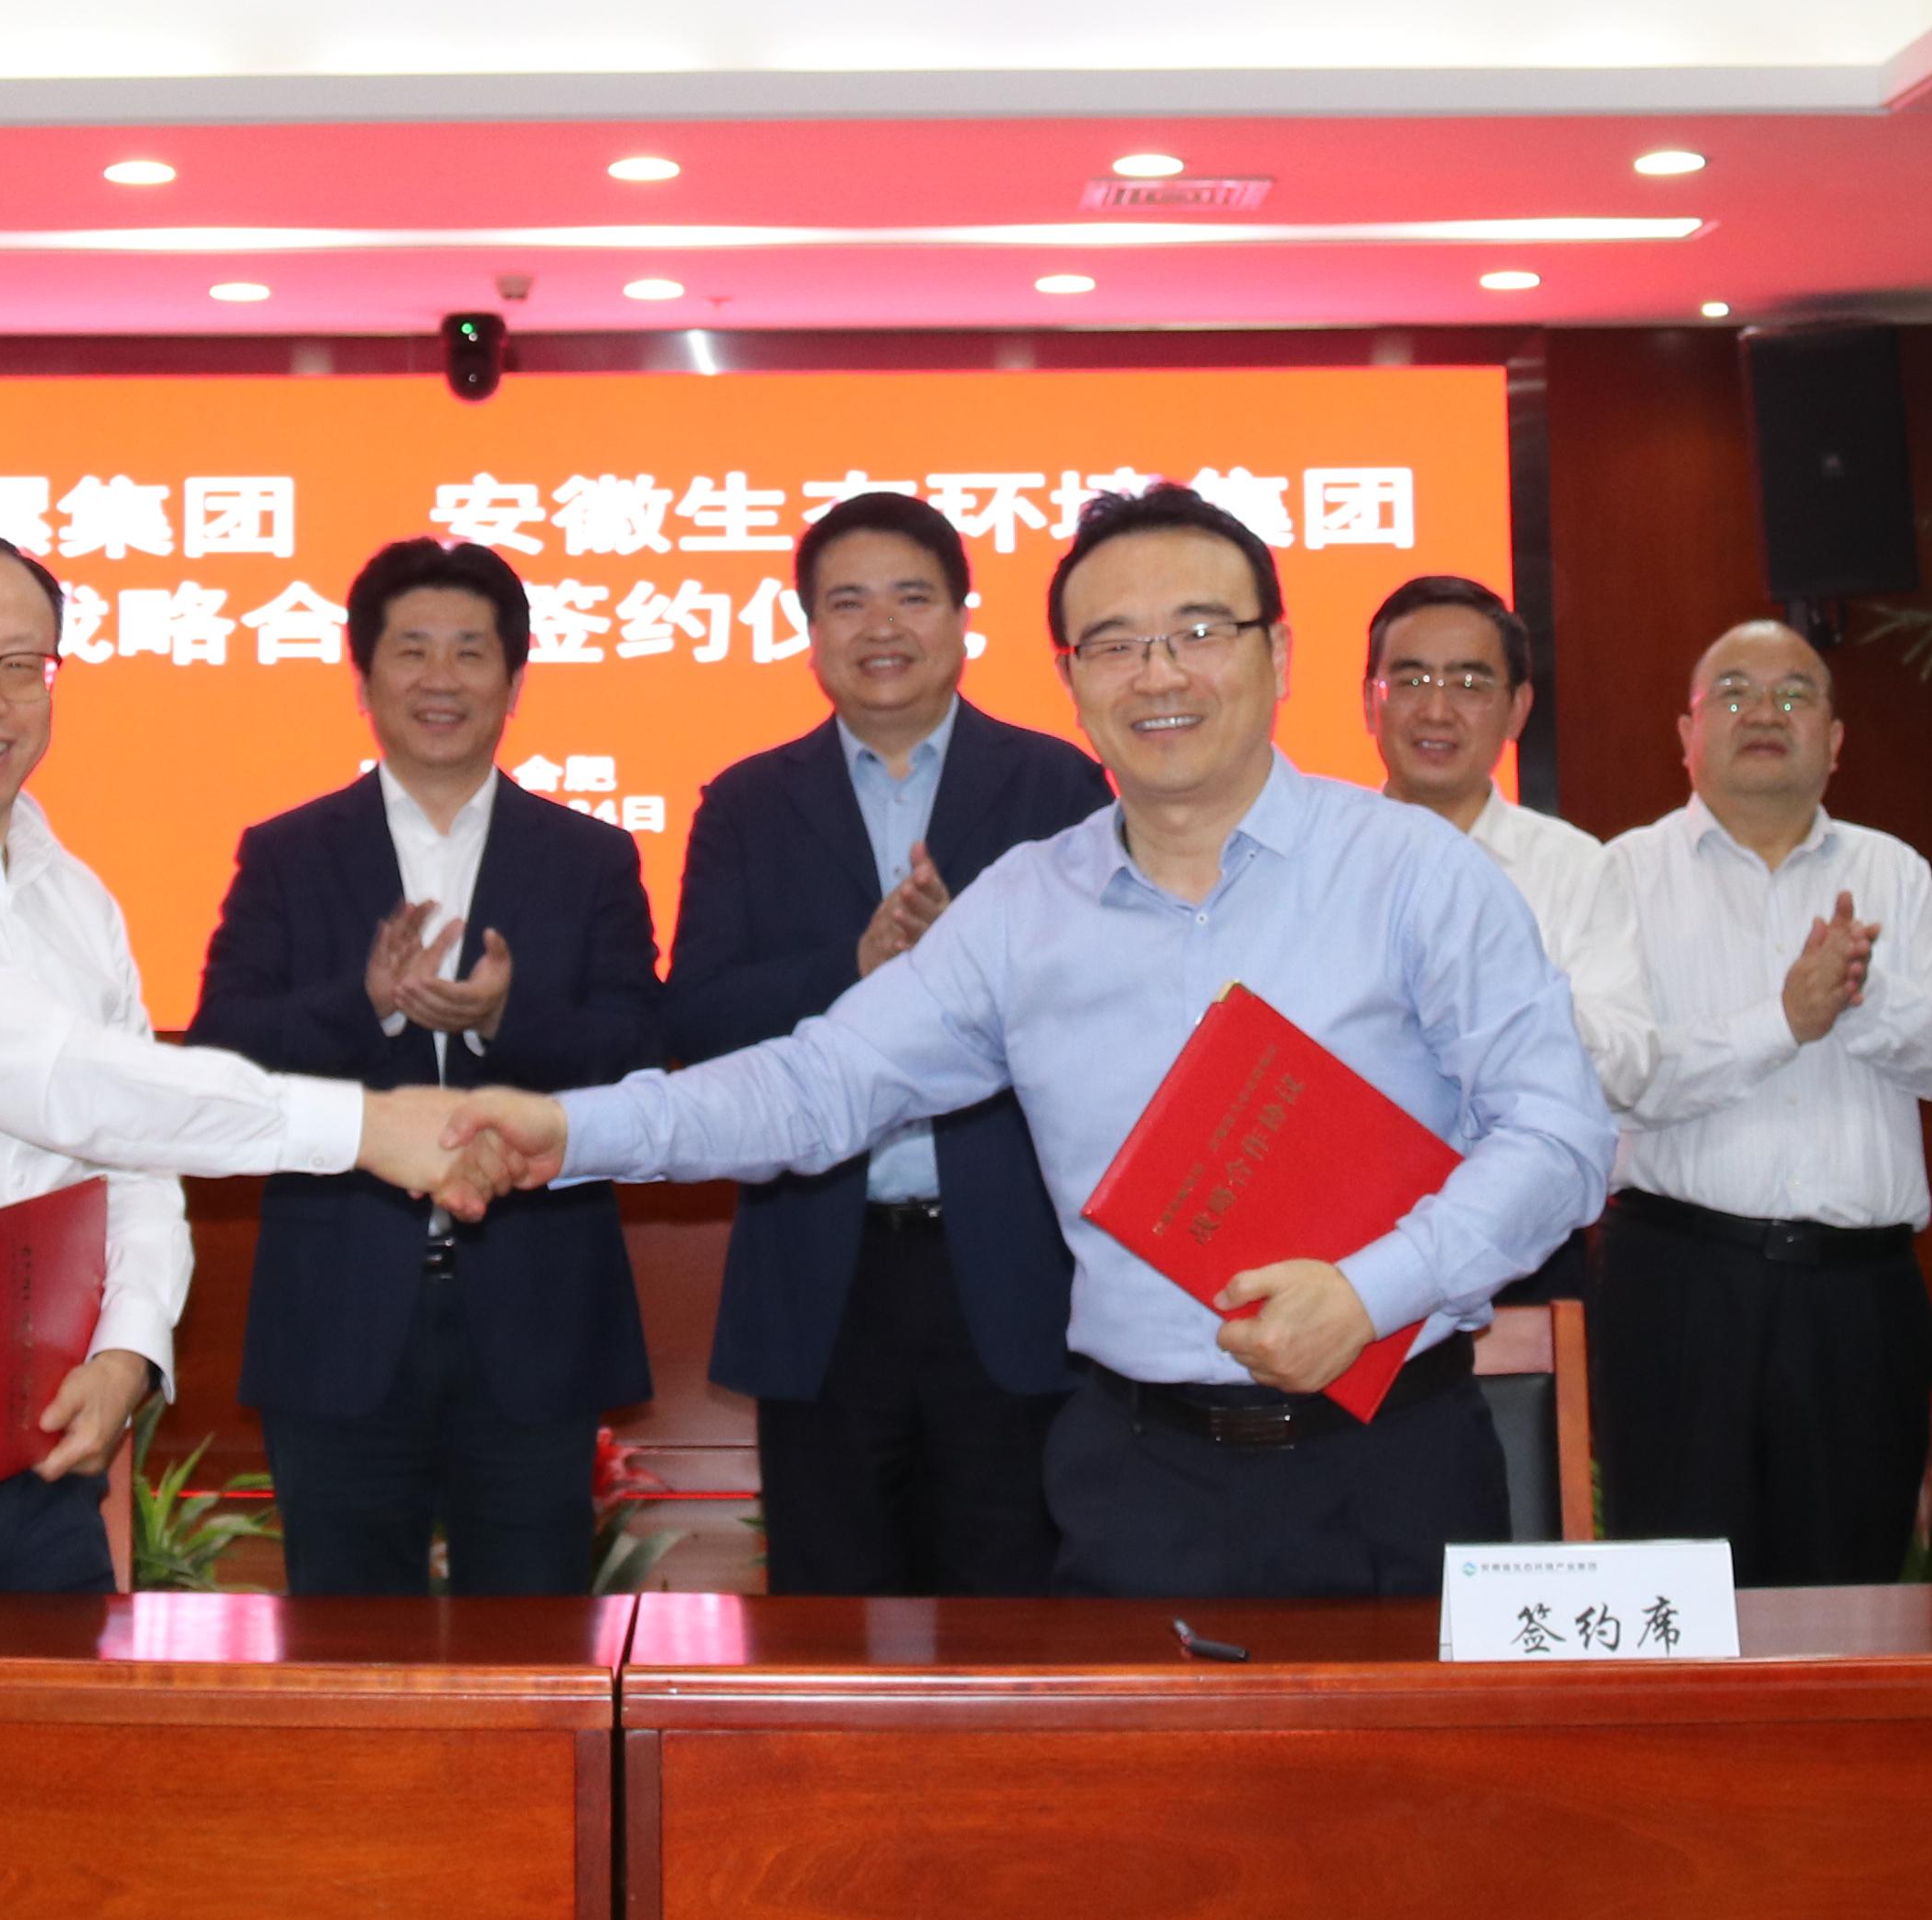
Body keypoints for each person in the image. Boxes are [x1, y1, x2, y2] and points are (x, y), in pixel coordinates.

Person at [454, 485, 1610, 1598]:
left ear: (1280, 653)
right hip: (1138, 1479)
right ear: (1069, 678)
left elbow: (1559, 1139)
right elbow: (816, 1085)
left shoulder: (1412, 872)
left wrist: (1371, 1290)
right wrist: (565, 1128)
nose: (1159, 673)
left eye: (1198, 631)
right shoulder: (1024, 908)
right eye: (1114, 644)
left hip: (1391, 1459)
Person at [0, 526, 495, 1589]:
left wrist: (129, 1345)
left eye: (21, 664)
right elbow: (65, 1084)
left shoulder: (72, 892)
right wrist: (369, 1128)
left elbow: (133, 1154)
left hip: (37, 1448)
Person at [186, 539, 662, 1595]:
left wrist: (504, 1021)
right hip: (337, 1309)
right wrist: (362, 1003)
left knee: (531, 1644)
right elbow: (222, 1050)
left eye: (470, 651)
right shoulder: (288, 852)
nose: (440, 678)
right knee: (346, 1642)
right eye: (411, 651)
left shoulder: (590, 857)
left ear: (515, 680)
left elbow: (639, 1051)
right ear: (363, 679)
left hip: (534, 1314)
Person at [663, 490, 1106, 1595]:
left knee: (1012, 1614)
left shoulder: (1057, 784)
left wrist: (978, 970)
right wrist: (854, 968)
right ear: (810, 631)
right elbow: (698, 1019)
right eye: (847, 602)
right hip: (826, 1270)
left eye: (912, 596)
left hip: (1010, 1265)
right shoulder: (748, 803)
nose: (882, 627)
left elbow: (1114, 1006)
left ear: (961, 617)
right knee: (827, 1614)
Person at [1593, 620, 1932, 1585]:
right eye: (1732, 692)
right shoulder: (1623, 874)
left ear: (1836, 738)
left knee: (1850, 1601)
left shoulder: (1892, 871)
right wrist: (1782, 1021)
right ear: (1686, 735)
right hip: (1679, 1287)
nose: (1763, 712)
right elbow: (1615, 1075)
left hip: (1858, 1298)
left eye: (1793, 694)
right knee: (1678, 1596)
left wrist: (1863, 999)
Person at [1361, 571, 1658, 1125]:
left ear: (1517, 710)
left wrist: (1501, 1004)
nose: (1436, 711)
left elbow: (1629, 1064)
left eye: (1469, 685)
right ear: (1369, 703)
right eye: (1412, 681)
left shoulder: (1575, 866)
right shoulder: (1325, 859)